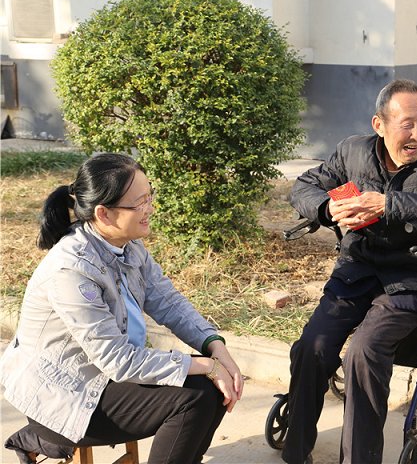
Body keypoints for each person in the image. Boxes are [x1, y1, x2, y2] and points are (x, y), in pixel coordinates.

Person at [0, 153, 244, 464]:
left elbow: (168, 302)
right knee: (195, 397)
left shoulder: (129, 246)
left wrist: (215, 347)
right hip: (64, 396)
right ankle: (39, 437)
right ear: (103, 214)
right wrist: (206, 365)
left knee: (212, 389)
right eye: (138, 203)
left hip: (102, 375)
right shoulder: (72, 271)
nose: (149, 209)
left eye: (149, 196)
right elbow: (118, 361)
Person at [281, 78, 417, 464]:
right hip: (357, 270)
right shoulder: (352, 152)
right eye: (407, 124)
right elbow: (304, 185)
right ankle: (295, 449)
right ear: (379, 125)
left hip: (414, 278)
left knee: (364, 351)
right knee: (313, 347)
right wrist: (327, 208)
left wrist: (390, 203)